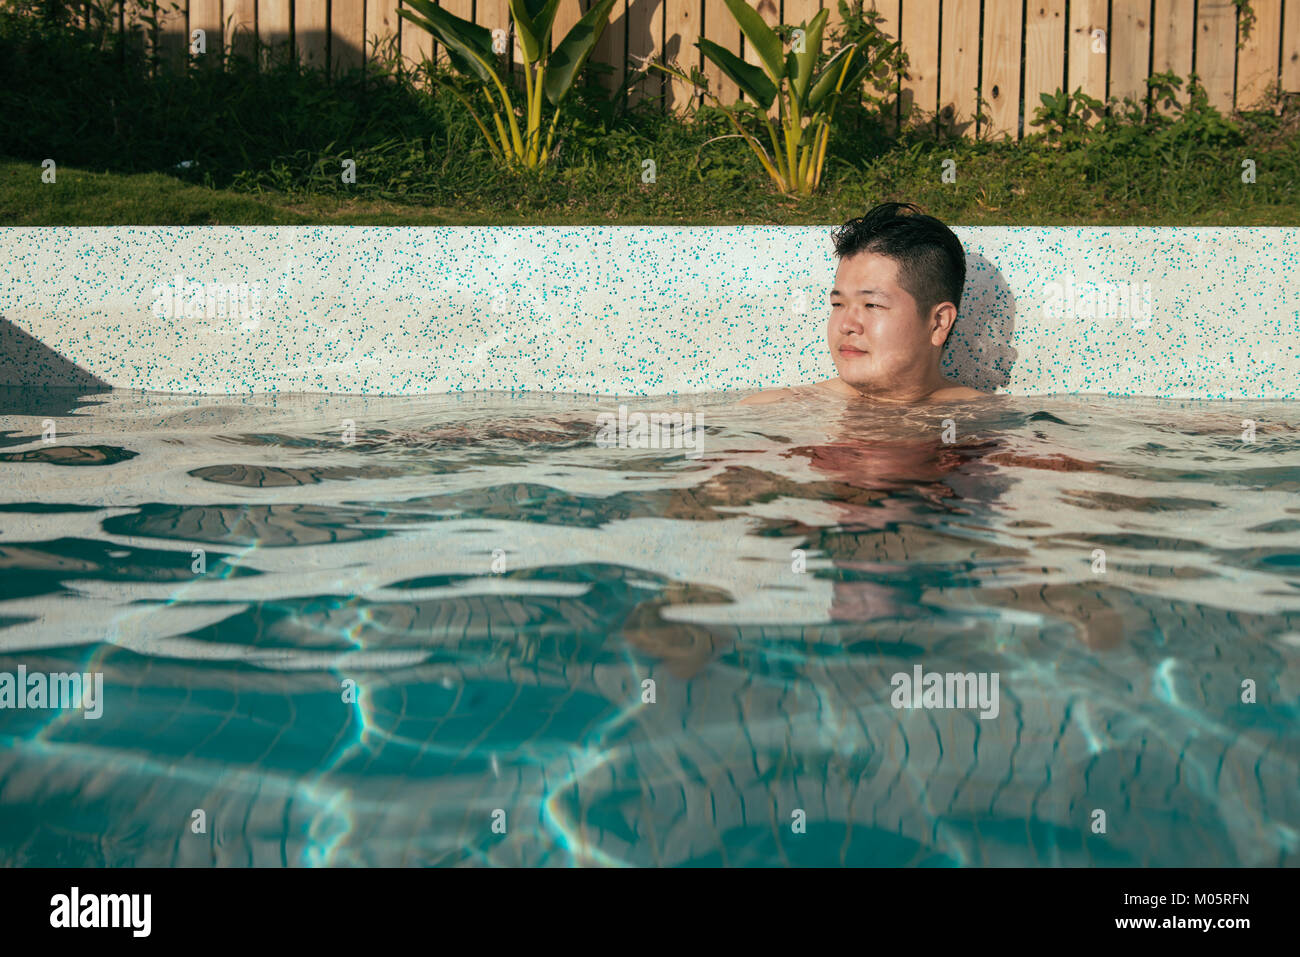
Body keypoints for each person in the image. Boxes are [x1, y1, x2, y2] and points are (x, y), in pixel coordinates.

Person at [742, 202, 988, 406]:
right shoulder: (774, 411)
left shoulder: (986, 424)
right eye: (838, 304)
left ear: (938, 323)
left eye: (872, 305)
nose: (846, 325)